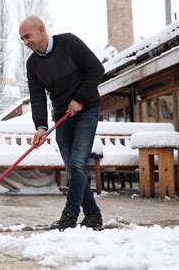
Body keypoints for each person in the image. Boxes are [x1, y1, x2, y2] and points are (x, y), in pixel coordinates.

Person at [19, 16, 105, 231]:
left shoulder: (69, 43)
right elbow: (38, 98)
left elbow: (96, 69)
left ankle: (70, 215)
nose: (25, 42)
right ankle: (93, 215)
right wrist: (40, 126)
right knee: (72, 167)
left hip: (87, 111)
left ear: (41, 29)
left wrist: (80, 99)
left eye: (27, 36)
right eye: (22, 39)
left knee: (77, 164)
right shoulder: (33, 64)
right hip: (62, 117)